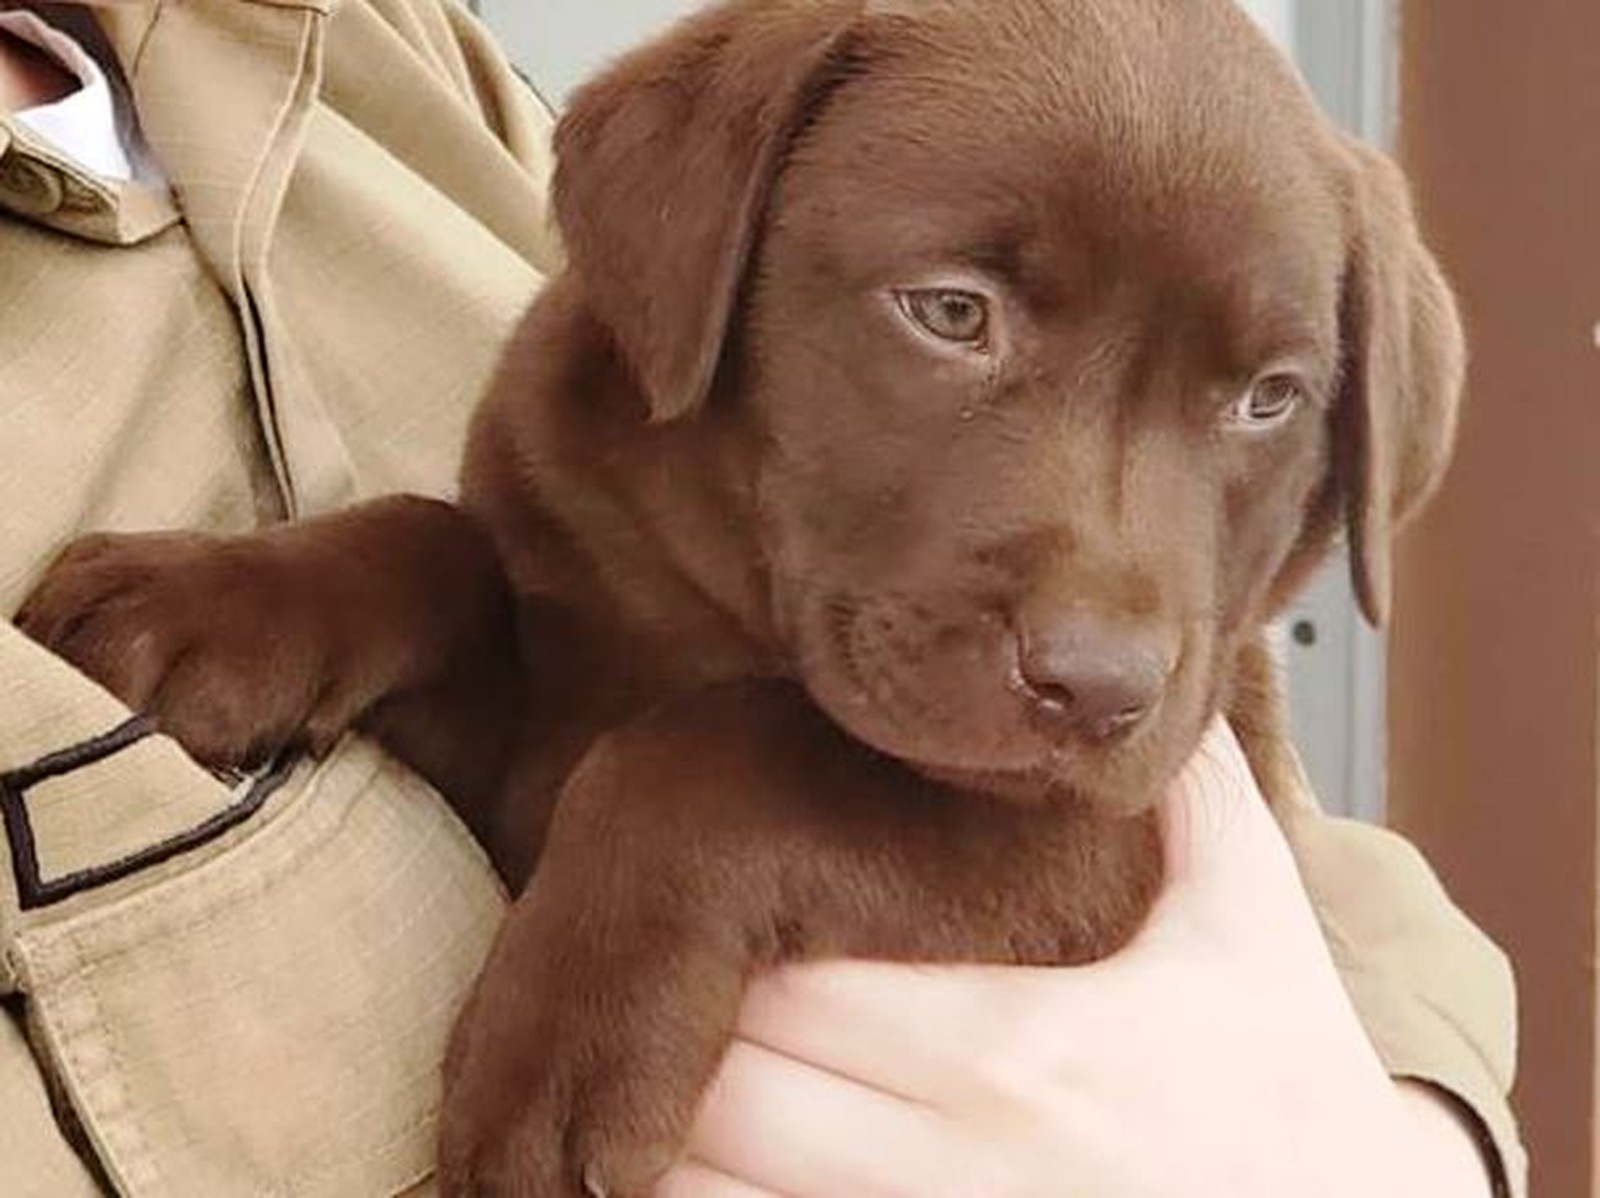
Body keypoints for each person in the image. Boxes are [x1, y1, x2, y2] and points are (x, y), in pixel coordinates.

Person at [0, 1, 1524, 1195]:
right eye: (956, 314)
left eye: (1261, 400)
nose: (1103, 629)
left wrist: (1399, 1148)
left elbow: (1246, 889)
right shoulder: (663, 263)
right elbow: (563, 660)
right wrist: (412, 589)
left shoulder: (352, 50)